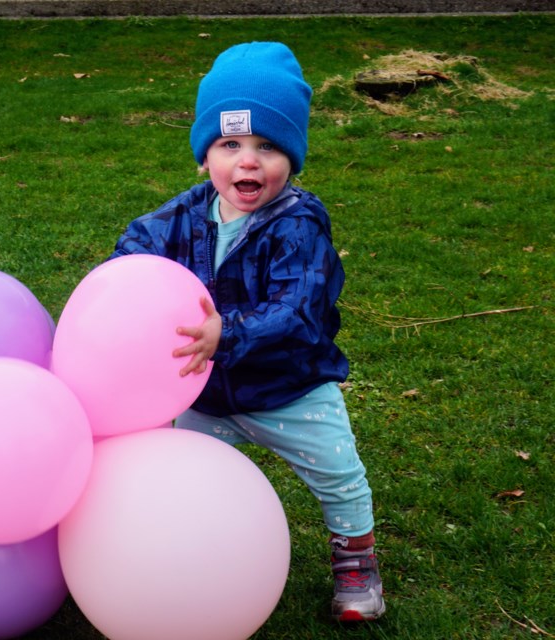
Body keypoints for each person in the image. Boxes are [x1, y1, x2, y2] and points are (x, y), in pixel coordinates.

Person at [110, 41, 385, 622]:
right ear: (204, 158)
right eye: (230, 145)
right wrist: (119, 284)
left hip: (292, 387)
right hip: (207, 392)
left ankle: (356, 562)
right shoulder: (183, 215)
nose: (249, 162)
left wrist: (226, 334)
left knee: (339, 476)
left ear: (293, 158)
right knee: (180, 477)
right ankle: (187, 558)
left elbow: (298, 307)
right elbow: (135, 248)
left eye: (268, 146)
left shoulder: (300, 223)